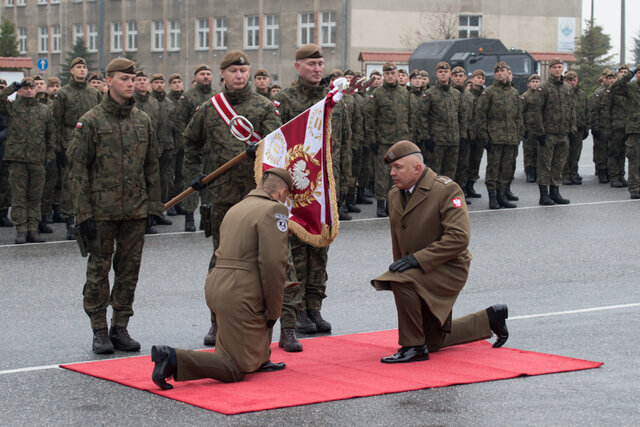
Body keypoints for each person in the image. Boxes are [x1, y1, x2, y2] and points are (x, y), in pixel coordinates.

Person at [151, 168, 293, 390]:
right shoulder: (274, 210)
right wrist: (275, 311)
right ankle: (172, 357)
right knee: (234, 368)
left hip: (218, 284)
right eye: (287, 197)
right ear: (282, 192)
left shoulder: (236, 208)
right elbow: (273, 265)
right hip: (241, 292)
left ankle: (260, 359)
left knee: (234, 347)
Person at [371, 140, 509, 363]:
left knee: (399, 281)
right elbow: (400, 239)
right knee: (433, 341)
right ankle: (490, 318)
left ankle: (413, 347)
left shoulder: (445, 190)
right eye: (391, 168)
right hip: (416, 268)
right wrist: (407, 263)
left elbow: (458, 238)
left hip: (446, 266)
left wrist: (416, 261)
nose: (392, 173)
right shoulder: (395, 194)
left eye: (398, 168)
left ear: (417, 168)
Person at [184, 50, 282, 347]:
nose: (239, 76)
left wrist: (262, 152)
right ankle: (217, 322)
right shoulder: (210, 108)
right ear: (222, 75)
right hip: (222, 197)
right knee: (222, 263)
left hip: (258, 201)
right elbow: (191, 143)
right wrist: (197, 174)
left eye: (243, 71)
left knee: (260, 262)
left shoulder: (265, 107)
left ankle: (257, 325)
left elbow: (279, 151)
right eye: (233, 72)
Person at [66, 58, 163, 354]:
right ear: (109, 81)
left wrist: (154, 207)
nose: (130, 83)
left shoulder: (142, 119)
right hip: (101, 210)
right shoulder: (92, 120)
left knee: (129, 270)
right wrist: (83, 212)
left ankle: (120, 326)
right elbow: (77, 166)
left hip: (135, 209)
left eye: (132, 79)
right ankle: (98, 328)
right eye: (123, 78)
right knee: (98, 269)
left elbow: (152, 166)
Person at [273, 43, 348, 351]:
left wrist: (346, 179)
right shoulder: (286, 100)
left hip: (326, 185)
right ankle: (298, 309)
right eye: (310, 64)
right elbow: (277, 145)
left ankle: (315, 305)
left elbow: (344, 141)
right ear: (297, 67)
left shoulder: (333, 99)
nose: (317, 68)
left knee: (321, 247)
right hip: (298, 186)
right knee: (298, 250)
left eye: (320, 63)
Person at [0, 77, 56, 244]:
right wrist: (11, 87)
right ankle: (21, 230)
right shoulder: (13, 108)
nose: (29, 90)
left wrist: (50, 156)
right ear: (21, 90)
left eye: (32, 88)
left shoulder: (44, 110)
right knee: (18, 196)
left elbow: (51, 135)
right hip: (17, 158)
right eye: (25, 88)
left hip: (38, 159)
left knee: (35, 196)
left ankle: (33, 229)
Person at [53, 57, 102, 239]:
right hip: (69, 142)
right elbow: (56, 122)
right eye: (78, 67)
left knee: (92, 182)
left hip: (91, 143)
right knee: (70, 184)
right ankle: (70, 221)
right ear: (71, 71)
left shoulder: (94, 93)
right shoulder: (63, 93)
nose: (82, 70)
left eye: (84, 67)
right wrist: (58, 149)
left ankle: (90, 219)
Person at [365, 61, 417, 217]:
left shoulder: (405, 94)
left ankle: (396, 204)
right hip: (384, 141)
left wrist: (411, 138)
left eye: (392, 73)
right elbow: (370, 118)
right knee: (383, 174)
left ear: (397, 74)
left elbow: (411, 117)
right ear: (384, 75)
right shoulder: (377, 94)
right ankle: (381, 203)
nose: (390, 76)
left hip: (402, 142)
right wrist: (372, 139)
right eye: (387, 73)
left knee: (402, 174)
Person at [476, 62, 524, 209]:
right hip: (495, 137)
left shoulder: (514, 92)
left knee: (506, 168)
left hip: (510, 137)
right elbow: (481, 115)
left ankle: (502, 196)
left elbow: (518, 115)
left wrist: (519, 134)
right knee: (493, 168)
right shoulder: (489, 92)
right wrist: (484, 137)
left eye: (503, 71)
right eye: (498, 71)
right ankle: (493, 198)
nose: (500, 73)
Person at [532, 58, 576, 205]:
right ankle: (544, 194)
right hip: (549, 133)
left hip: (563, 132)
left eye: (560, 67)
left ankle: (555, 191)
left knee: (559, 164)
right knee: (545, 164)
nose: (558, 69)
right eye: (555, 67)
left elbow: (571, 109)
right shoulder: (544, 88)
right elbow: (537, 111)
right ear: (550, 69)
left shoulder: (567, 88)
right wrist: (540, 132)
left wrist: (572, 129)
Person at [178, 64, 216, 232]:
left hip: (212, 148)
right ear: (195, 77)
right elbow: (180, 121)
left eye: (208, 74)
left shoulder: (217, 96)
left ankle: (205, 217)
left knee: (210, 182)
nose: (206, 77)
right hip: (194, 147)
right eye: (202, 74)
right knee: (191, 182)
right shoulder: (188, 97)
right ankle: (189, 217)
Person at [418, 61, 466, 180]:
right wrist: (426, 137)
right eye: (440, 72)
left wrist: (462, 135)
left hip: (453, 140)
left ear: (450, 74)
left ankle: (446, 197)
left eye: (445, 72)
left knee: (450, 173)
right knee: (434, 174)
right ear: (436, 74)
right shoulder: (429, 94)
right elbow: (423, 116)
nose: (443, 74)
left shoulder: (456, 94)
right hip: (436, 140)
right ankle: (433, 198)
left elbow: (462, 115)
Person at [610, 65, 640, 199]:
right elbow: (614, 87)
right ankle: (634, 187)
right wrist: (630, 73)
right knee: (634, 158)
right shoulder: (631, 88)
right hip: (635, 129)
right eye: (639, 73)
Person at [562, 71, 590, 185]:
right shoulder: (564, 93)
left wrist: (587, 127)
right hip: (567, 128)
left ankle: (574, 172)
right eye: (570, 80)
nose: (573, 82)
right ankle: (565, 174)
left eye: (574, 80)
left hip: (579, 127)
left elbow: (587, 111)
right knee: (566, 153)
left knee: (576, 153)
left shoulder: (582, 94)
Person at [521, 74, 543, 183]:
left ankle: (538, 170)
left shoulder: (542, 95)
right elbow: (521, 113)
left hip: (540, 128)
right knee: (529, 151)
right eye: (533, 82)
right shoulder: (525, 96)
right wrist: (523, 128)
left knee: (540, 151)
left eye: (537, 81)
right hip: (529, 127)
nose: (535, 84)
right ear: (529, 83)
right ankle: (529, 171)